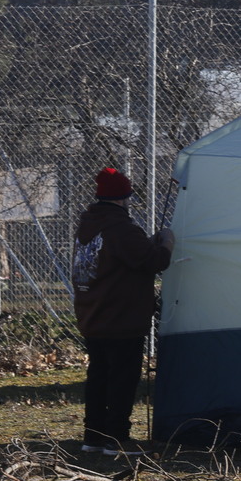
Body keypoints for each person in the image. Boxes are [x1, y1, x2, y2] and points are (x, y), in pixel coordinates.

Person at [72, 167, 174, 457]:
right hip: (122, 318)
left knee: (99, 376)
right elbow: (152, 261)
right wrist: (166, 242)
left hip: (93, 315)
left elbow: (120, 259)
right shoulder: (122, 229)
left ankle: (93, 436)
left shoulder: (88, 226)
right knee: (123, 379)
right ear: (122, 198)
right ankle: (117, 438)